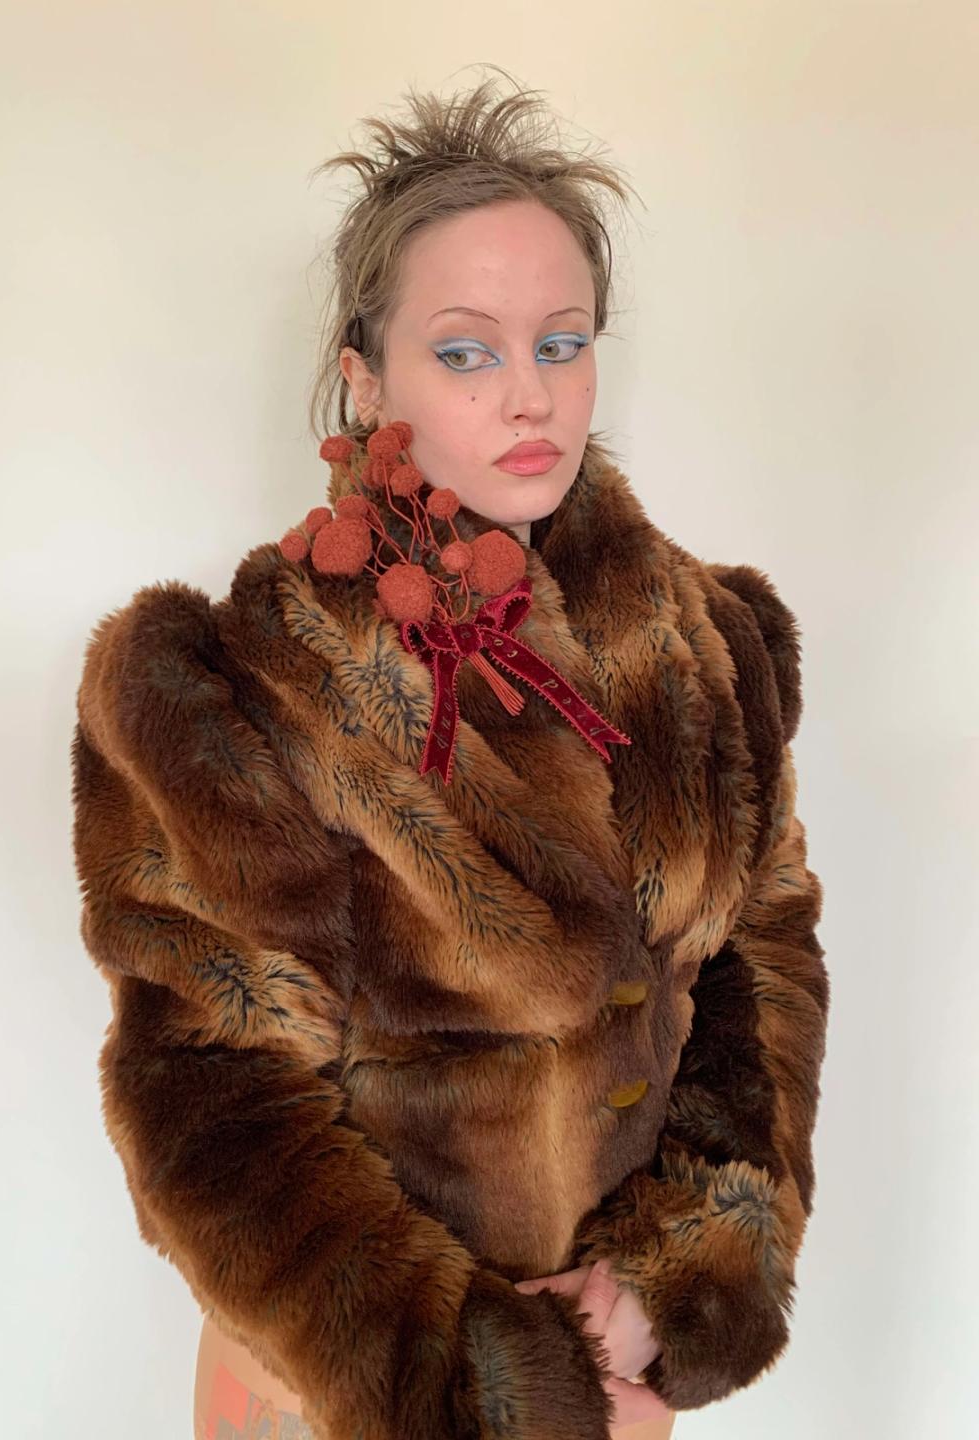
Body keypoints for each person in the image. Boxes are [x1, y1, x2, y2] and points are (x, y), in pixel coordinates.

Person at [71, 68, 828, 1440]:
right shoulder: (234, 688)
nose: (531, 395)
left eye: (564, 342)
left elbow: (759, 962)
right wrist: (472, 1377)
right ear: (366, 376)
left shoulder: (715, 648)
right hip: (349, 1394)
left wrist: (684, 1268)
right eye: (468, 351)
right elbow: (210, 1095)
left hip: (617, 1376)